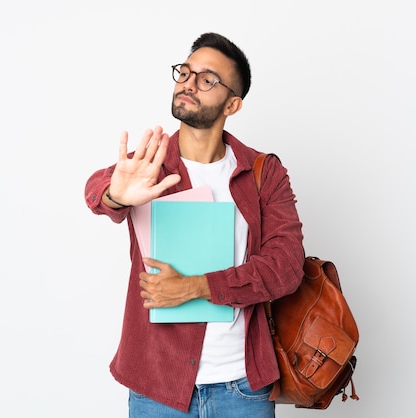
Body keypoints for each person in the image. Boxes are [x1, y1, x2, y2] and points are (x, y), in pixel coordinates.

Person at [84, 32, 305, 417]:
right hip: (157, 389)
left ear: (232, 104)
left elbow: (286, 269)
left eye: (207, 79)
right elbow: (100, 190)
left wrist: (195, 287)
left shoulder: (262, 173)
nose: (189, 83)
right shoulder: (148, 165)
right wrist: (114, 196)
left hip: (243, 389)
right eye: (185, 72)